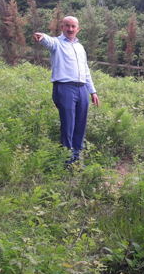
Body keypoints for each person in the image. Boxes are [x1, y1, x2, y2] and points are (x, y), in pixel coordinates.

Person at [34, 16, 99, 164]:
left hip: (81, 88)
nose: (70, 29)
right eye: (67, 26)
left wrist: (92, 91)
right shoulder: (57, 43)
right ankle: (66, 160)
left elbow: (85, 70)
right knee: (68, 124)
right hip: (65, 88)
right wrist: (42, 37)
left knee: (80, 124)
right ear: (62, 27)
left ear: (78, 29)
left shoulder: (80, 47)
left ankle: (76, 157)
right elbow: (48, 41)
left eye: (73, 26)